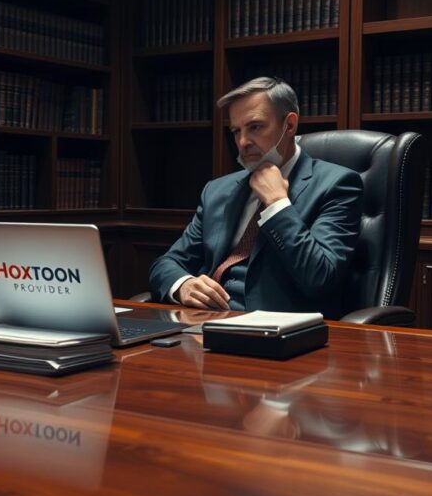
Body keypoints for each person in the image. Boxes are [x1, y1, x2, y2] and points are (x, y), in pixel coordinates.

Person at [148, 76, 363, 319]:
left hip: (275, 329)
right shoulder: (217, 190)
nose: (243, 142)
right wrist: (183, 285)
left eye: (255, 127)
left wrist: (277, 204)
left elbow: (320, 278)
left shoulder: (338, 185)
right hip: (204, 322)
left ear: (289, 125)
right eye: (236, 131)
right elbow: (166, 264)